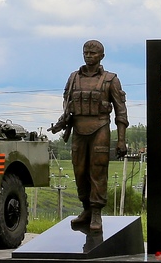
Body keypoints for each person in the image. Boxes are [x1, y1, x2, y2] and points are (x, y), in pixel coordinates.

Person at [49, 40, 128, 231]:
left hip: (100, 128)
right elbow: (67, 104)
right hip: (78, 130)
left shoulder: (111, 79)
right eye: (86, 52)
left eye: (93, 53)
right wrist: (63, 122)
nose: (88, 55)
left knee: (98, 171)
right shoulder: (74, 77)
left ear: (101, 56)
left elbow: (121, 111)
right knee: (80, 171)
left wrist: (122, 140)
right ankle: (86, 209)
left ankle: (96, 212)